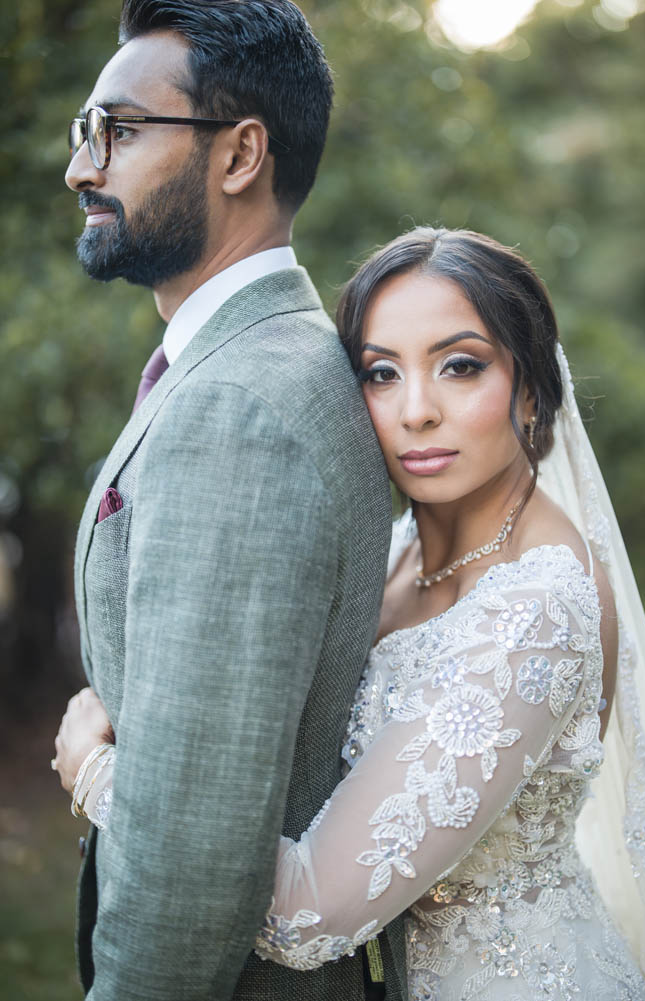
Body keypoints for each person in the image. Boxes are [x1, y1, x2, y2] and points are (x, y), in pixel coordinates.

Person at [56, 227, 645, 999]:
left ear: (532, 387)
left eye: (460, 366)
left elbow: (307, 915)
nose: (416, 410)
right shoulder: (392, 548)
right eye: (381, 373)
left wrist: (100, 773)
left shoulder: (536, 610)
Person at [54, 1, 409, 998]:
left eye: (117, 131)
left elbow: (190, 864)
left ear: (240, 153)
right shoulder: (246, 363)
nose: (83, 167)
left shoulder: (241, 410)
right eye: (87, 134)